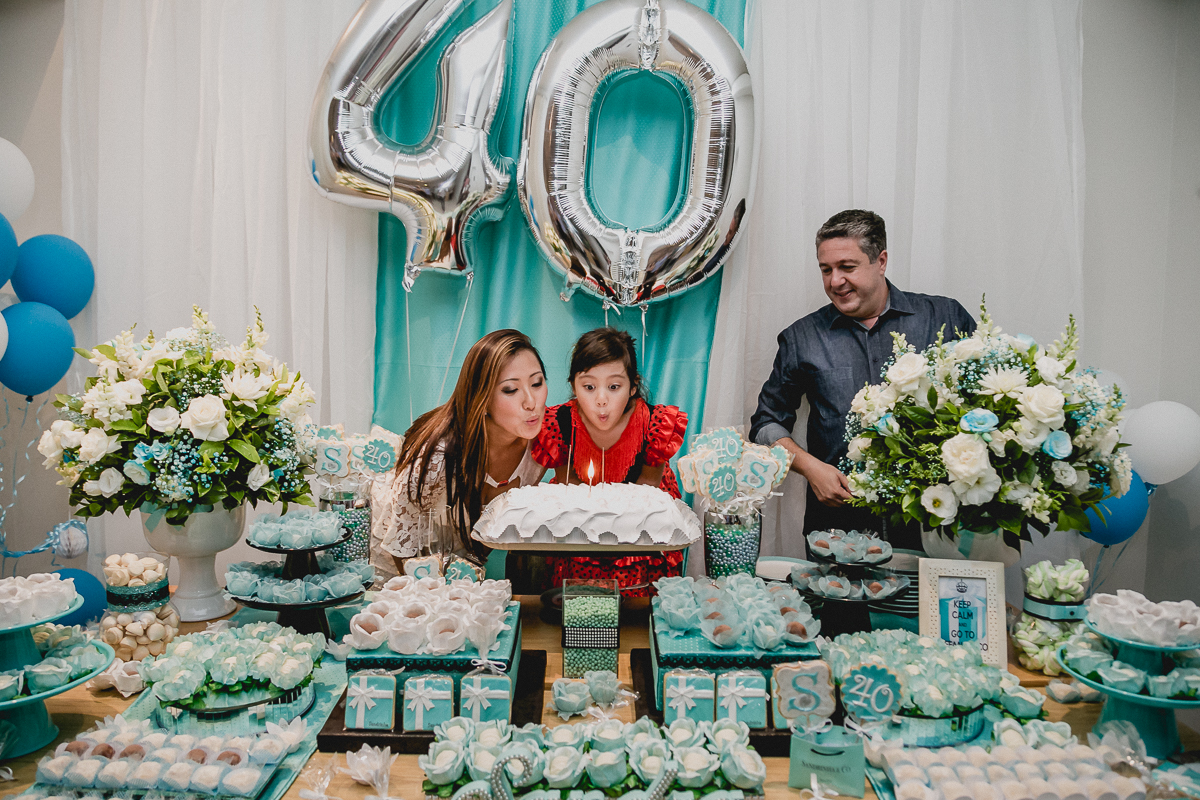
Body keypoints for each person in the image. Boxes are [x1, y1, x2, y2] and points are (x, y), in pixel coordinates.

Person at [749, 209, 976, 548]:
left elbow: (987, 403)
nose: (835, 281)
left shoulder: (942, 318)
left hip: (935, 525)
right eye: (826, 269)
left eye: (847, 267)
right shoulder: (801, 338)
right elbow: (766, 423)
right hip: (837, 528)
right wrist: (812, 469)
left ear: (880, 261)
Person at [370, 329, 548, 582]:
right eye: (510, 389)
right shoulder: (437, 457)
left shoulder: (543, 444)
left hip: (461, 577)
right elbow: (404, 553)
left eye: (537, 383)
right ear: (482, 398)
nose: (532, 402)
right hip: (398, 574)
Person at [533, 327, 688, 596]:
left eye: (614, 387)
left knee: (636, 604)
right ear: (573, 386)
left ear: (633, 387)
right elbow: (569, 486)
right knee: (582, 597)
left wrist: (610, 519)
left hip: (640, 524)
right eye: (589, 387)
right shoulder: (560, 423)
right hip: (580, 523)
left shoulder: (654, 424)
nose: (601, 400)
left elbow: (647, 489)